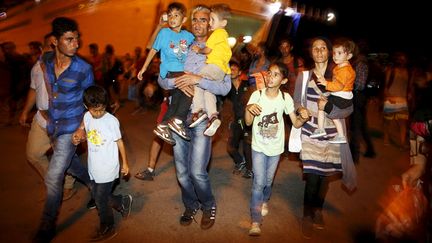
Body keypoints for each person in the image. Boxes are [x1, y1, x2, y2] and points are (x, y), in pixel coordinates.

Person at [158, 4, 231, 230]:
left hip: (200, 120)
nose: (199, 24)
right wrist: (177, 81)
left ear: (210, 23)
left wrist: (196, 79)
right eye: (196, 20)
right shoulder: (181, 46)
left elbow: (225, 87)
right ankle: (190, 204)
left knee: (197, 172)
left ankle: (208, 204)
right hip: (178, 117)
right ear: (191, 22)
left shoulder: (215, 49)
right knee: (182, 174)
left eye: (204, 19)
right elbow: (162, 78)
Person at [33, 17, 94, 243]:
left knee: (54, 175)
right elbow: (48, 82)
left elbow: (93, 102)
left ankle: (47, 224)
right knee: (73, 166)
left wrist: (82, 128)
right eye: (69, 39)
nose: (76, 44)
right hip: (54, 127)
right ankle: (98, 186)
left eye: (77, 39)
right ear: (54, 41)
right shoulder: (46, 61)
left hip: (71, 128)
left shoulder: (83, 69)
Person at [291, 37, 356, 239]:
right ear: (311, 52)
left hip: (332, 133)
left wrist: (331, 110)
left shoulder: (338, 74)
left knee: (325, 177)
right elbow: (296, 101)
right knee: (312, 176)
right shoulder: (304, 75)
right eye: (315, 48)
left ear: (329, 52)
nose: (319, 51)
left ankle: (318, 208)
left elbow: (349, 107)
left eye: (323, 48)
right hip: (311, 130)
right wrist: (301, 109)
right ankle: (307, 215)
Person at [245, 62, 310, 236]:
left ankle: (265, 199)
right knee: (258, 182)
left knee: (267, 180)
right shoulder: (256, 95)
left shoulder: (285, 98)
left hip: (276, 148)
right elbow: (248, 122)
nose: (270, 77)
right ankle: (255, 220)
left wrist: (304, 118)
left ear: (283, 80)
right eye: (269, 73)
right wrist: (249, 110)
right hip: (258, 146)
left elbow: (295, 123)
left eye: (276, 74)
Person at [19, 33, 77, 201]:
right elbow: (33, 89)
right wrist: (25, 111)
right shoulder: (36, 67)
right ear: (43, 47)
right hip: (41, 118)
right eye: (51, 46)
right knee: (33, 154)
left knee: (66, 156)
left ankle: (67, 185)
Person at [72, 86, 132, 242]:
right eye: (94, 110)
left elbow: (120, 142)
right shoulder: (86, 116)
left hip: (108, 167)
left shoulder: (111, 121)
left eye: (101, 109)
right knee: (98, 193)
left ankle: (108, 226)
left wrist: (125, 163)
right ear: (86, 107)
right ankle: (122, 201)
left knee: (100, 199)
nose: (98, 113)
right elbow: (83, 128)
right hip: (94, 166)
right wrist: (79, 134)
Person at [137, 2, 194, 145]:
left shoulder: (188, 36)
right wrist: (144, 68)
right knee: (188, 92)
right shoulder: (164, 33)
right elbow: (153, 50)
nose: (172, 18)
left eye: (176, 15)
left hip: (182, 72)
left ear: (184, 19)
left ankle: (163, 125)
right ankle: (178, 120)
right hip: (169, 72)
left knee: (175, 101)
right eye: (170, 15)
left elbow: (199, 44)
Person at [189, 3, 232, 137]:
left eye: (208, 20)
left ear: (223, 22)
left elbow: (207, 50)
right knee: (209, 92)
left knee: (198, 82)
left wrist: (199, 50)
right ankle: (213, 115)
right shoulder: (224, 36)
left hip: (214, 67)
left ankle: (198, 111)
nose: (209, 23)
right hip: (220, 70)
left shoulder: (216, 34)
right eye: (194, 20)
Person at [309, 38, 356, 144]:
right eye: (334, 53)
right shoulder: (339, 68)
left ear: (348, 56)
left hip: (341, 98)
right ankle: (323, 130)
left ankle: (331, 132)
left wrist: (326, 83)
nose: (336, 56)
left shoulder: (345, 70)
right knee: (322, 104)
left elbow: (339, 86)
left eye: (339, 53)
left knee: (326, 109)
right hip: (340, 96)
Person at [349, 40, 376, 163]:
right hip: (360, 97)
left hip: (358, 97)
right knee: (362, 125)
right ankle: (371, 150)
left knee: (355, 127)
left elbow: (360, 84)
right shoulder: (361, 62)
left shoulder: (361, 63)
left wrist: (348, 85)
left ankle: (354, 157)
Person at [226, 60, 253, 178]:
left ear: (240, 72)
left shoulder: (247, 85)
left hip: (247, 120)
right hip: (235, 121)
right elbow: (224, 106)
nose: (232, 71)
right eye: (230, 69)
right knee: (231, 146)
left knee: (247, 145)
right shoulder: (226, 88)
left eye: (234, 69)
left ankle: (249, 169)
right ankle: (239, 161)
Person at [383, 52, 411, 149]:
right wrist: (388, 97)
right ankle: (386, 137)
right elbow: (386, 86)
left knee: (403, 123)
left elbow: (409, 87)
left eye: (404, 59)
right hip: (391, 100)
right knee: (388, 122)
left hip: (402, 101)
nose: (402, 61)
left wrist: (410, 95)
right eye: (400, 59)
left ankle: (403, 143)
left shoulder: (408, 72)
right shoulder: (391, 70)